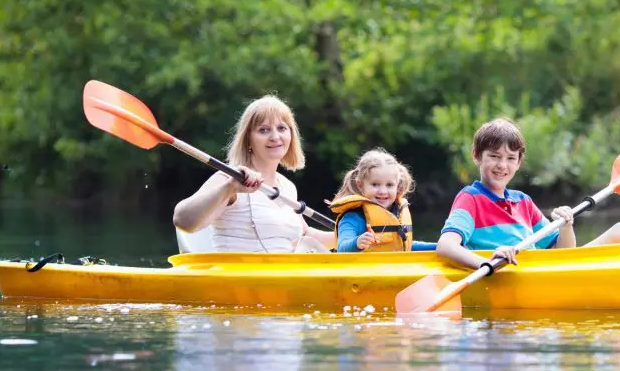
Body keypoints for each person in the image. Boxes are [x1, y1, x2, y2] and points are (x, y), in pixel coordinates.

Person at [436, 117, 620, 270]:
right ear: (477, 156)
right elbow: (446, 246)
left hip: (544, 269)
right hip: (511, 272)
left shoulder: (523, 202)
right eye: (494, 156)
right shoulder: (470, 198)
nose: (502, 165)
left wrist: (566, 226)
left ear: (518, 163)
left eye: (510, 158)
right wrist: (486, 263)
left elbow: (562, 253)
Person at [172, 95, 334, 253]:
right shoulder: (230, 178)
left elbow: (305, 235)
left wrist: (349, 237)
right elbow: (182, 220)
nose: (275, 136)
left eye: (282, 128)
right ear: (248, 139)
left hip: (281, 276)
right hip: (238, 276)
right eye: (263, 130)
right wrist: (229, 188)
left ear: (291, 135)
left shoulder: (287, 187)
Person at [328, 148, 436, 252]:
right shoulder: (353, 217)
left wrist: (438, 247)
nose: (382, 191)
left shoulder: (397, 213)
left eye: (389, 185)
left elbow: (403, 246)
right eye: (375, 184)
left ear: (397, 186)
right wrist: (357, 243)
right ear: (360, 185)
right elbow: (342, 247)